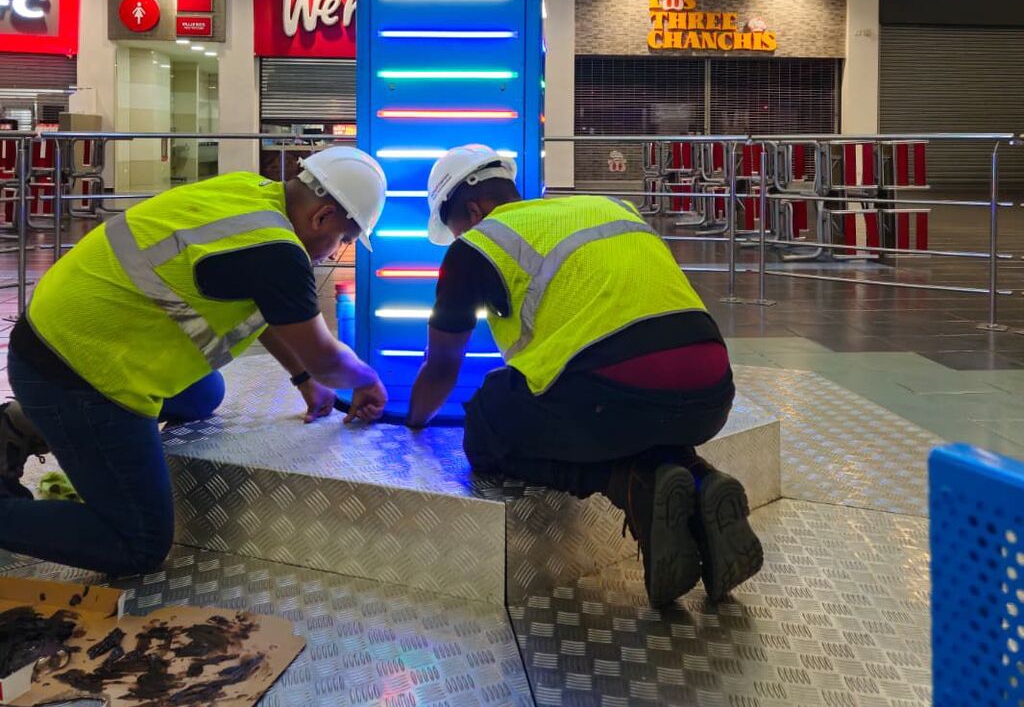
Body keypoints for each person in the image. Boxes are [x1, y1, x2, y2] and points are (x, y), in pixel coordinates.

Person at [0, 146, 389, 575]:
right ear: (323, 216)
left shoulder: (248, 191)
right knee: (139, 543)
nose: (336, 252)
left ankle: (24, 422)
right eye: (344, 239)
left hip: (61, 337)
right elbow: (326, 358)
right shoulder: (279, 252)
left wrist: (301, 377)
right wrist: (366, 379)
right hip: (79, 374)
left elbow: (264, 305)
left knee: (204, 394)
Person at [407, 144, 763, 606]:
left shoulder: (478, 244)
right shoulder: (608, 207)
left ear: (472, 211)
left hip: (610, 400)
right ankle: (700, 478)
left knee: (486, 422)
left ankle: (632, 485)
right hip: (711, 393)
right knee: (631, 407)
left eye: (454, 226)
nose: (457, 236)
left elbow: (442, 367)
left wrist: (413, 421)